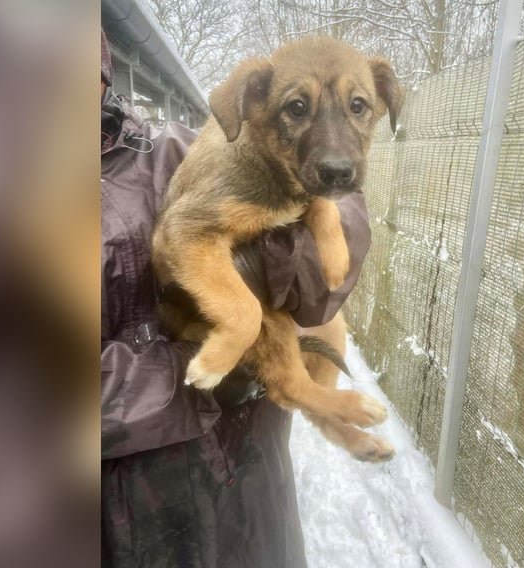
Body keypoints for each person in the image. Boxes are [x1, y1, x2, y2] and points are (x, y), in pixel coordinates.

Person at [100, 32, 370, 568]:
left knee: (327, 333)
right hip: (109, 531)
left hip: (246, 505)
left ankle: (324, 408)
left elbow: (326, 278)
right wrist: (205, 363)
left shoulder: (164, 147)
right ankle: (319, 404)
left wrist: (327, 217)